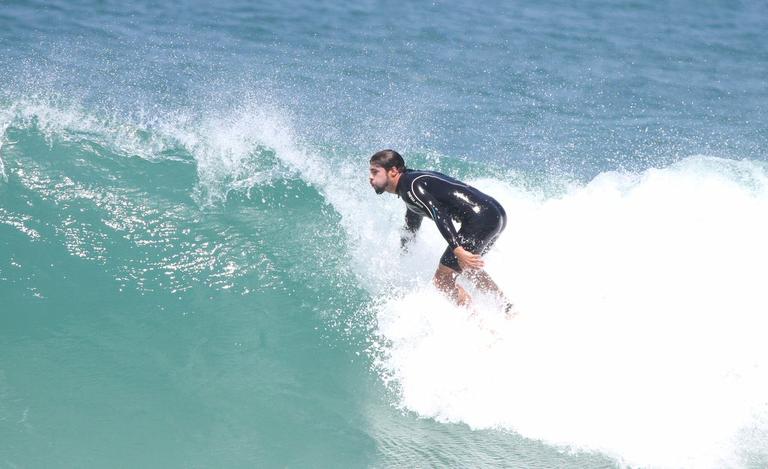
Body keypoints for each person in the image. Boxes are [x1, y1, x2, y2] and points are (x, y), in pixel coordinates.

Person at [369, 149, 512, 311]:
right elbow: (412, 221)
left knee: (442, 280)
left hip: (480, 219)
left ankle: (479, 325)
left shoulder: (411, 187)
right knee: (467, 267)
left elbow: (439, 214)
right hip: (495, 214)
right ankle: (507, 309)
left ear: (393, 171)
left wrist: (457, 248)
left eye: (375, 172)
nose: (371, 178)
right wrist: (404, 251)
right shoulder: (411, 185)